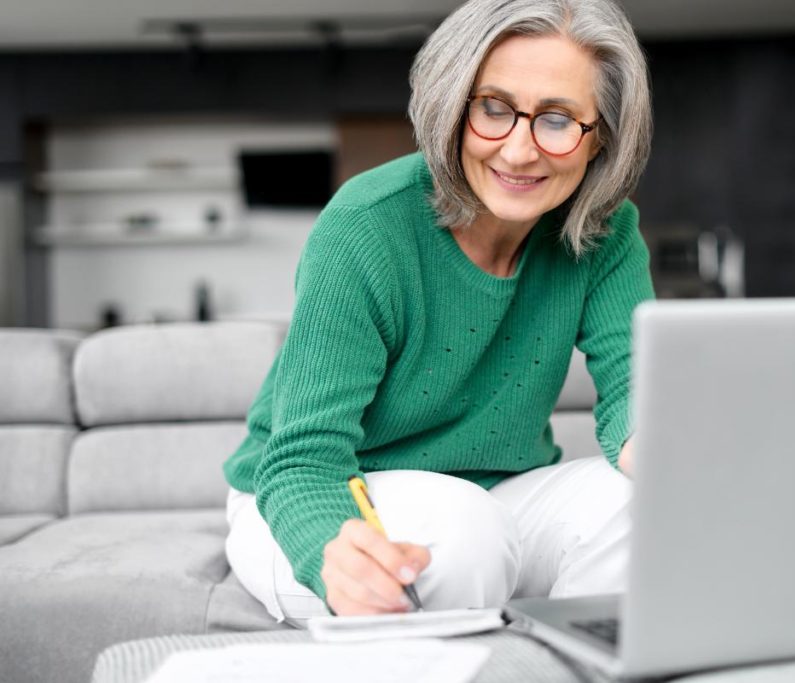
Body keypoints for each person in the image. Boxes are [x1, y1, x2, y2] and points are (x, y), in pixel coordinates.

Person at [222, 0, 654, 625]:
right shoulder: (367, 226)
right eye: (494, 109)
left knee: (639, 497)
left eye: (557, 119)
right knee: (462, 531)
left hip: (499, 494)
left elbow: (637, 385)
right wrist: (330, 551)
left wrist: (665, 453)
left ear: (602, 138)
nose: (519, 151)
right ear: (453, 107)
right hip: (322, 496)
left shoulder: (604, 234)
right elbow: (304, 460)